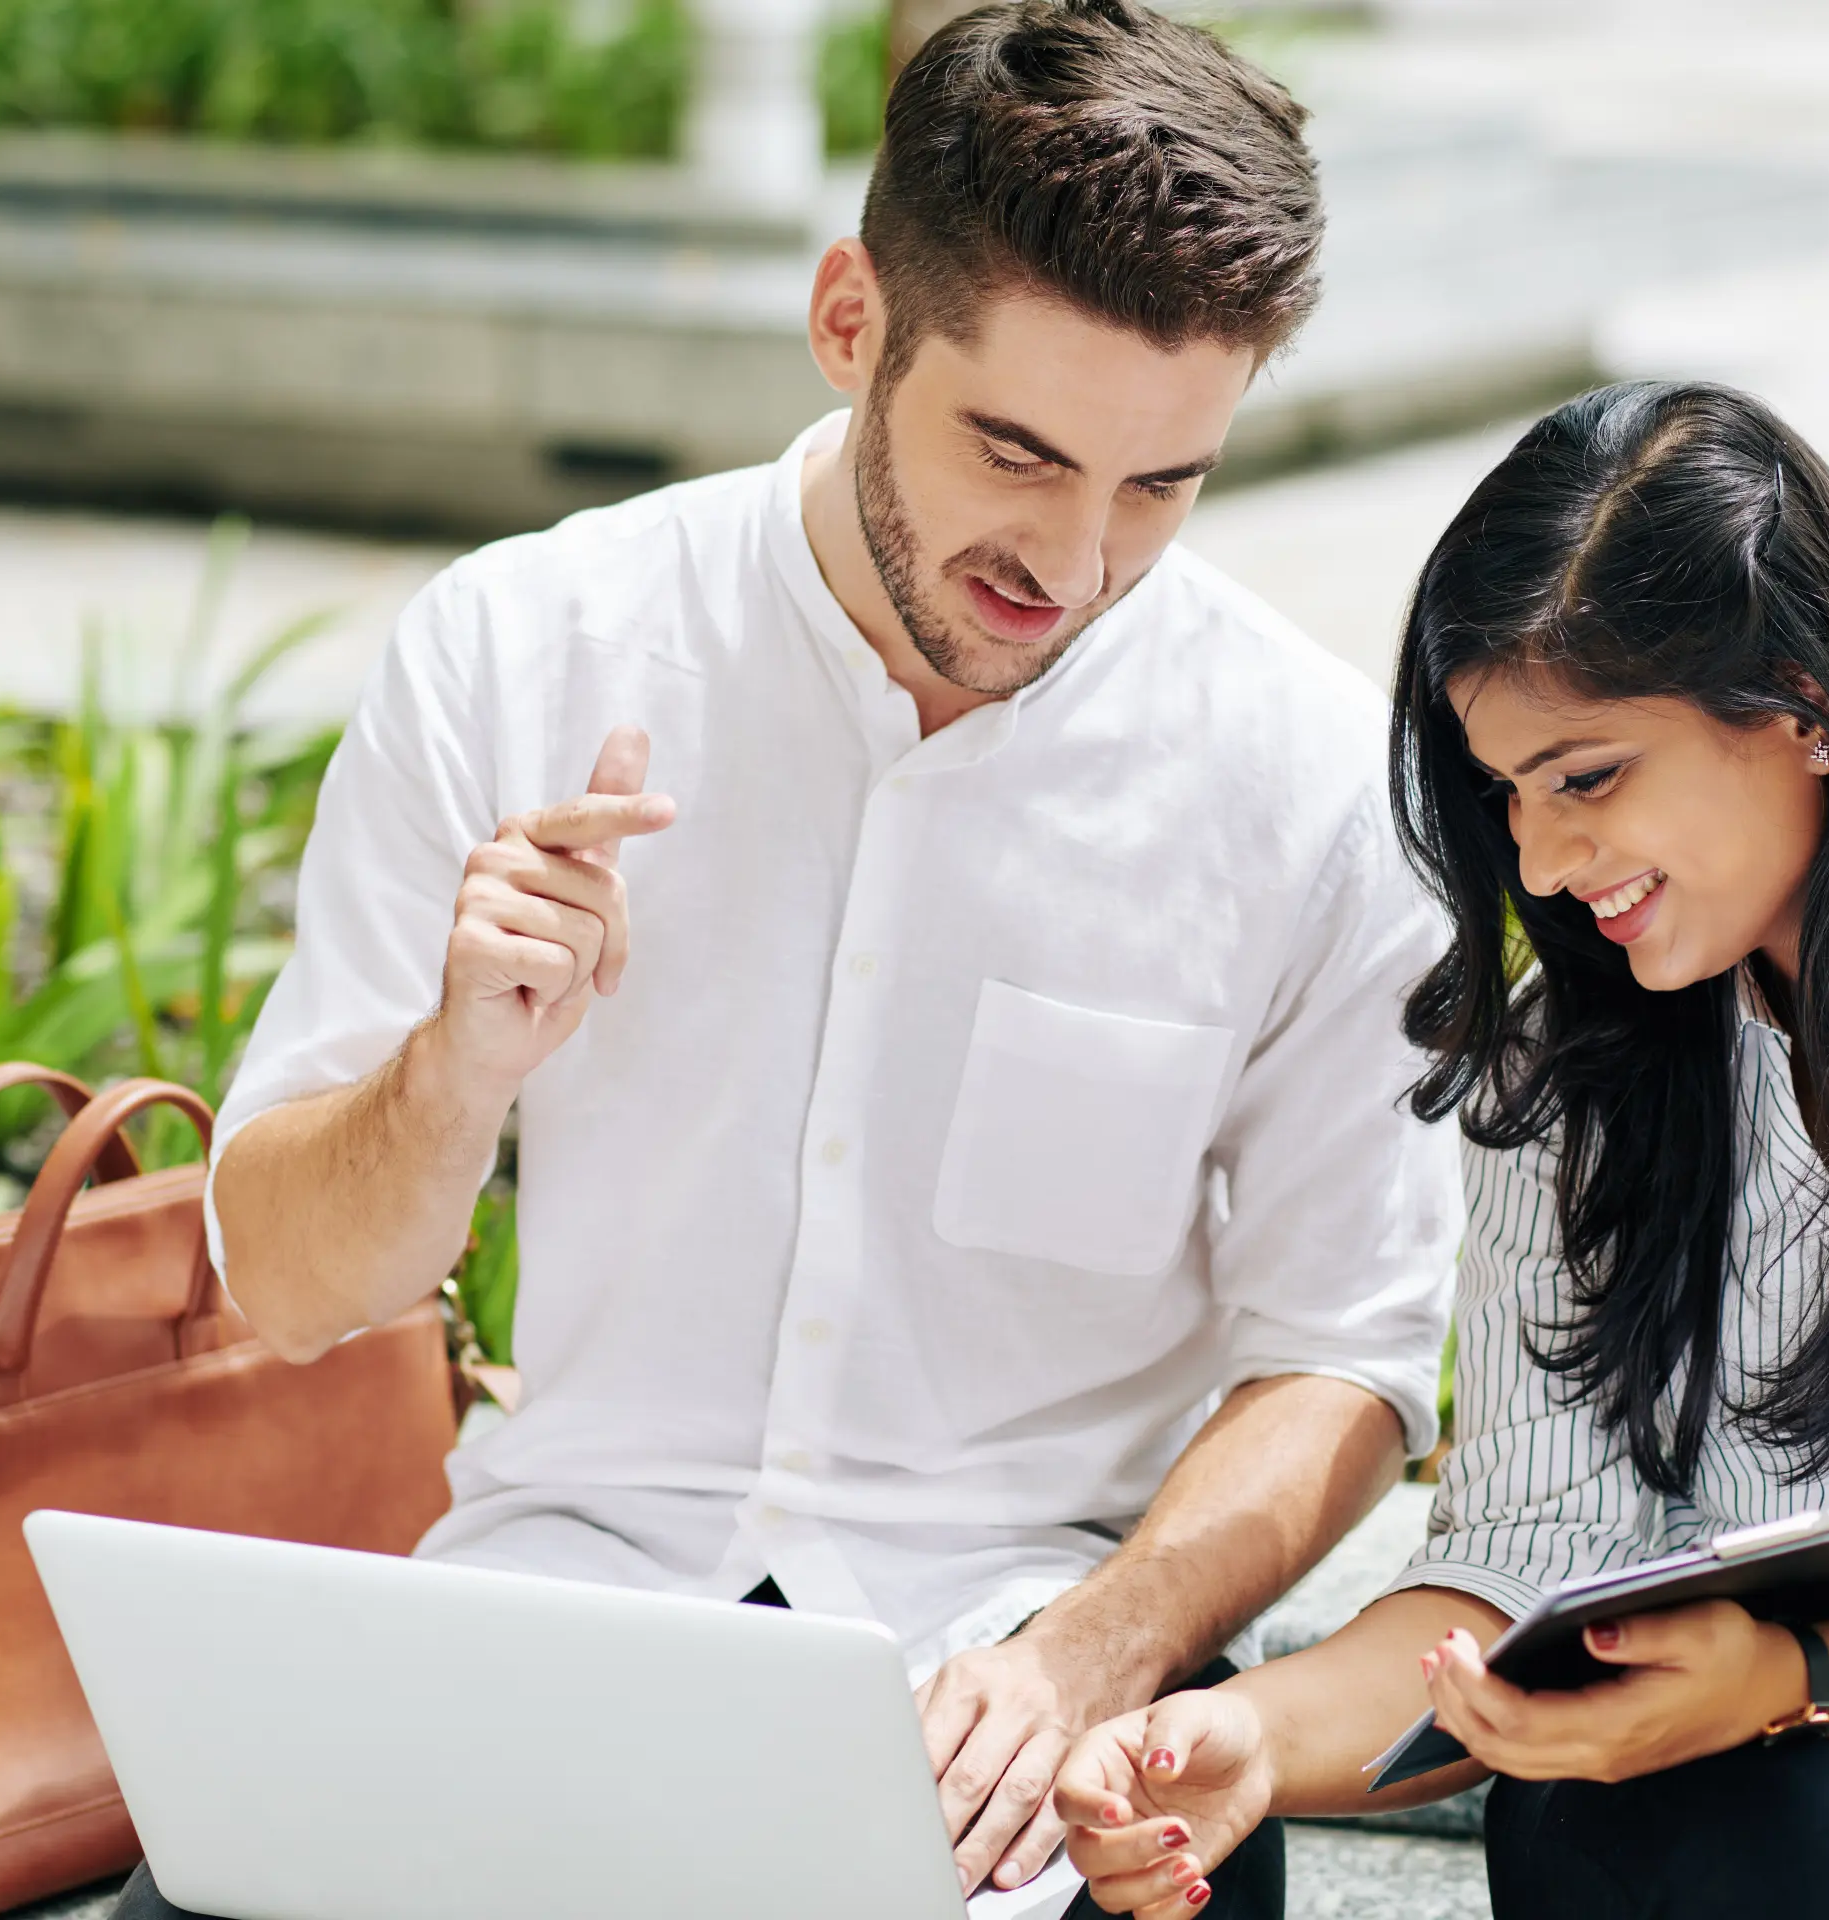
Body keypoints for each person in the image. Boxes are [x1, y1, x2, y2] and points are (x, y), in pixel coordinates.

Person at [114, 6, 1464, 1916]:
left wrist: (1104, 1642)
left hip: (1016, 1668)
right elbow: (285, 1282)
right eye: (1018, 451)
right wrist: (451, 1074)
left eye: (1162, 485)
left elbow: (1342, 1354)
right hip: (554, 1611)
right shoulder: (519, 646)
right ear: (851, 322)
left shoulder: (1316, 788)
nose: (1075, 564)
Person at [1053, 380, 1829, 1920]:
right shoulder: (1572, 1058)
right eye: (1506, 794)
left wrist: (1794, 1670)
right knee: (1792, 1836)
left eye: (1587, 778)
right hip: (1710, 1784)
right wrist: (1246, 1733)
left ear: (1807, 701)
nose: (1540, 862)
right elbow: (1522, 1561)